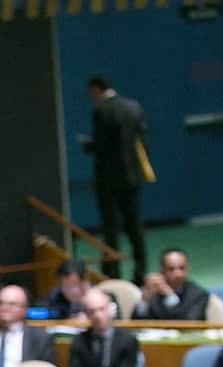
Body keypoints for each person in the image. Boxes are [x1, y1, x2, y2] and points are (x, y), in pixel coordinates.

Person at [81, 75, 150, 282]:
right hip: (132, 176)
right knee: (134, 225)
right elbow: (141, 140)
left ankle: (112, 271)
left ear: (97, 89)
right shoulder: (134, 107)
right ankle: (141, 269)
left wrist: (88, 146)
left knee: (110, 227)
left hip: (108, 179)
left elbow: (101, 145)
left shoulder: (102, 111)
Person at [65, 288, 143, 367]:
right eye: (92, 311)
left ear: (111, 309)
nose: (97, 315)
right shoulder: (80, 341)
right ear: (87, 314)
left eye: (101, 309)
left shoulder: (127, 340)